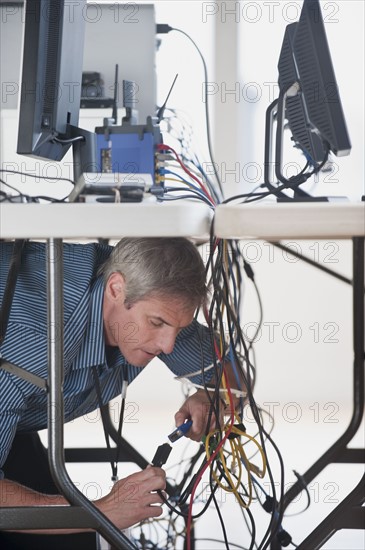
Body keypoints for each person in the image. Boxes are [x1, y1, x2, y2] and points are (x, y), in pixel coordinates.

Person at [0, 237, 238, 549]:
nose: (167, 345)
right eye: (157, 324)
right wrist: (105, 510)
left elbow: (233, 377)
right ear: (115, 289)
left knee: (80, 539)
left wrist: (211, 397)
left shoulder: (153, 294)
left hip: (13, 425)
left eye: (178, 329)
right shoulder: (35, 341)